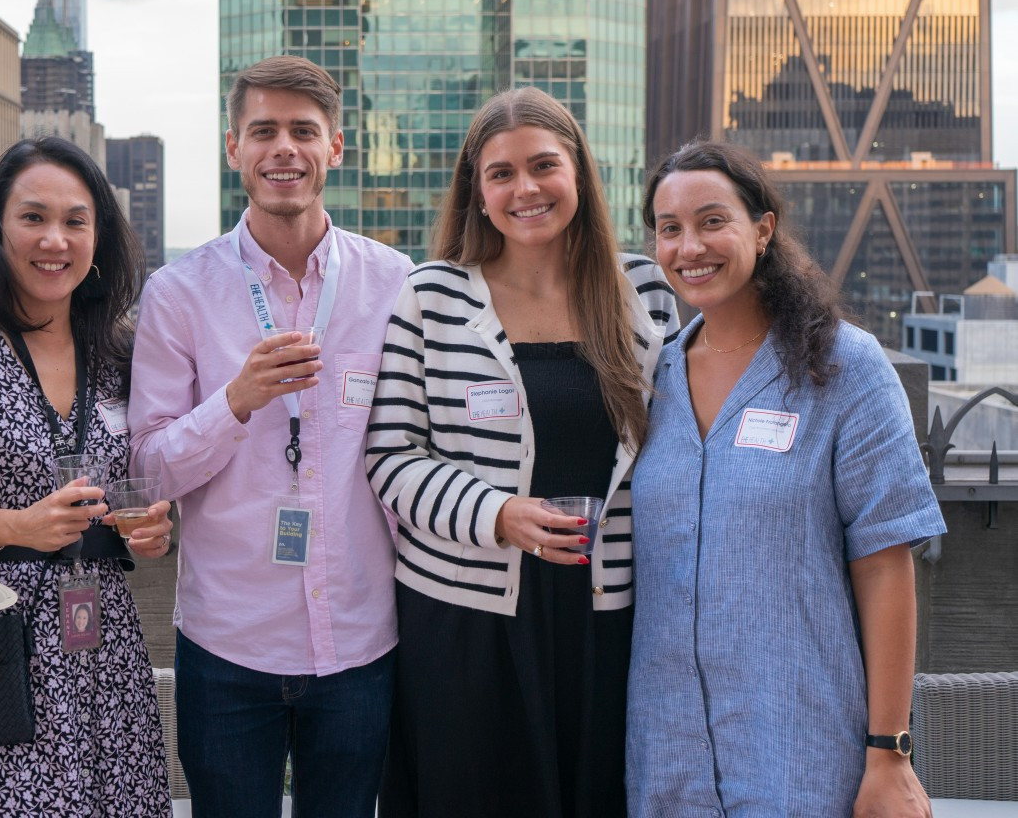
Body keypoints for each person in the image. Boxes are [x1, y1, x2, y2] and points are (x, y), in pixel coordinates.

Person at [364, 87, 679, 817]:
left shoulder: (644, 291)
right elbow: (390, 455)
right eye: (501, 173)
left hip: (607, 612)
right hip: (466, 619)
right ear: (476, 190)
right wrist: (495, 514)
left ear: (579, 174)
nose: (525, 189)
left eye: (544, 166)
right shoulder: (432, 295)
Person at [128, 55, 413, 818]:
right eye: (263, 131)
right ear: (233, 149)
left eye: (302, 131)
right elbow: (148, 470)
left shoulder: (396, 284)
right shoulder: (178, 294)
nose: (283, 148)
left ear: (336, 148)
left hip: (360, 640)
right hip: (228, 646)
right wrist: (236, 400)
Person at [627, 141, 945, 817]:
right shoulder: (652, 381)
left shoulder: (845, 369)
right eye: (670, 228)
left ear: (763, 228)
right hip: (666, 760)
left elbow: (887, 566)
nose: (690, 246)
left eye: (713, 221)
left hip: (801, 754)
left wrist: (889, 752)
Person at [0, 136, 173, 818]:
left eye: (76, 220)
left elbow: (155, 467)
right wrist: (14, 527)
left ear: (98, 236)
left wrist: (154, 525)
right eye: (33, 217)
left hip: (105, 648)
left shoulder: (126, 357)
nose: (56, 239)